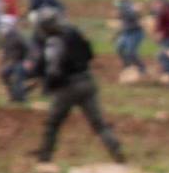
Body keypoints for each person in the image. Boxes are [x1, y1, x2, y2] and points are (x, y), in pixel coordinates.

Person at [30, 8, 122, 164]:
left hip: (67, 87)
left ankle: (44, 158)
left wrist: (47, 85)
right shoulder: (74, 32)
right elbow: (90, 54)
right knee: (99, 124)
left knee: (53, 124)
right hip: (87, 81)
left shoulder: (54, 41)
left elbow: (53, 70)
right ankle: (116, 150)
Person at [114, 0, 146, 72]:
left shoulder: (128, 5)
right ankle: (127, 66)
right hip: (126, 32)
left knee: (130, 52)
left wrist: (136, 11)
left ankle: (142, 69)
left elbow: (134, 14)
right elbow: (123, 22)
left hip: (135, 32)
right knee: (119, 48)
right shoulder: (121, 6)